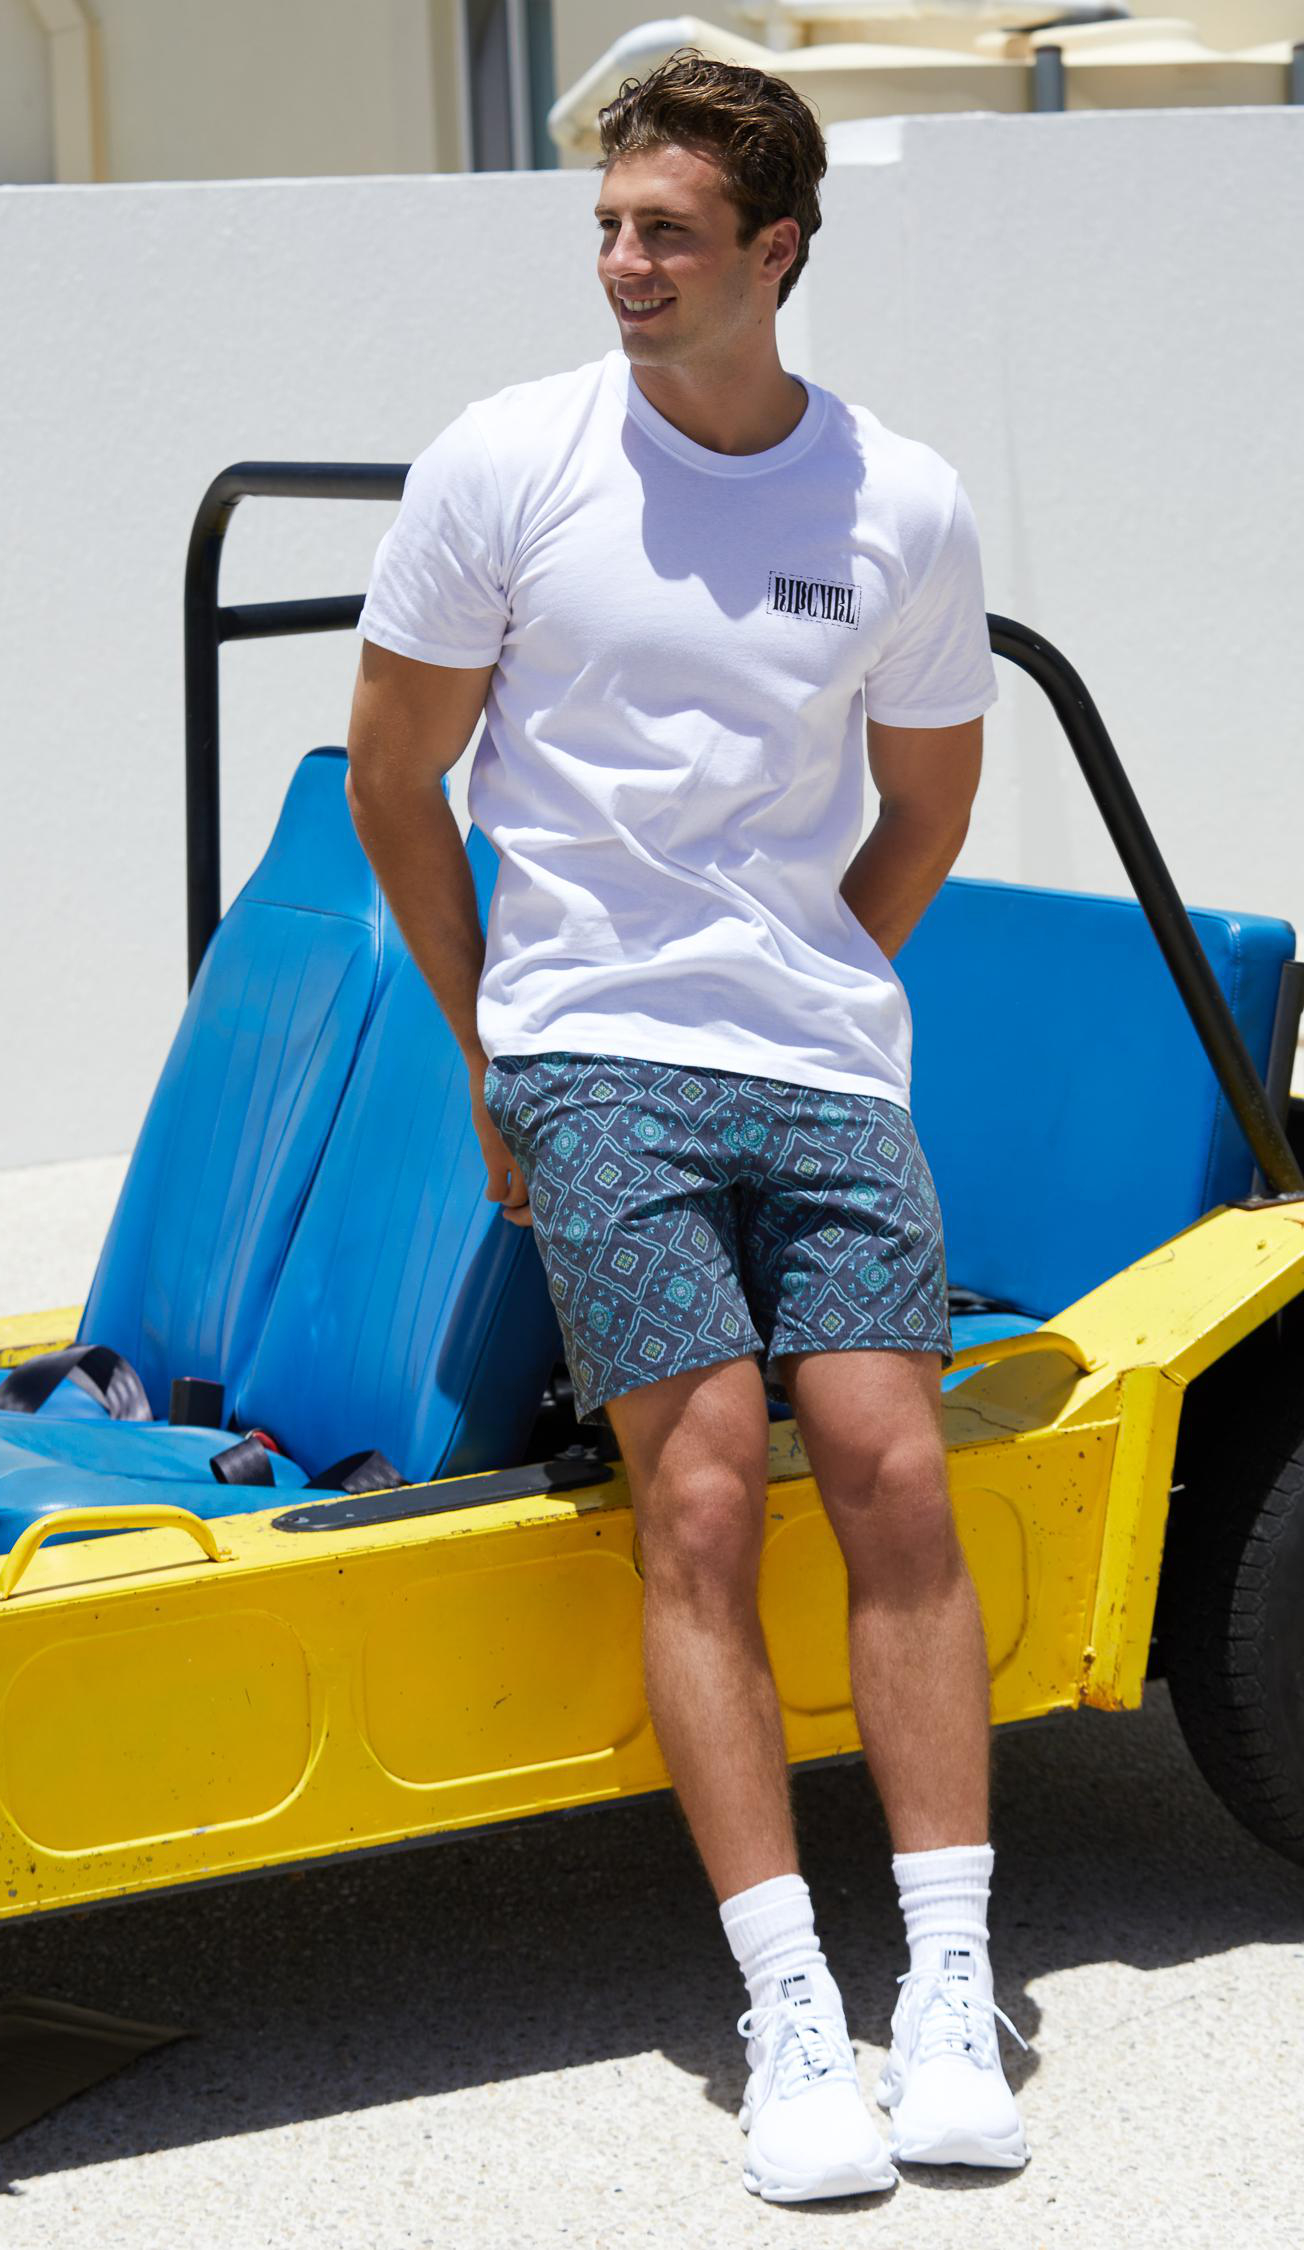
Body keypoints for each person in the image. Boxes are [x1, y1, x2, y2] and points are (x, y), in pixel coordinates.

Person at [344, 49, 1024, 2205]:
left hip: (816, 1050)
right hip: (588, 1043)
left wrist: (811, 976)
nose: (625, 264)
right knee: (710, 1479)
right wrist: (494, 1040)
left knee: (896, 1464)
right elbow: (393, 775)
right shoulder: (507, 462)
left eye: (669, 233)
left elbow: (927, 802)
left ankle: (949, 1982)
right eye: (610, 229)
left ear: (777, 252)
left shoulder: (901, 502)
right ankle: (790, 2006)